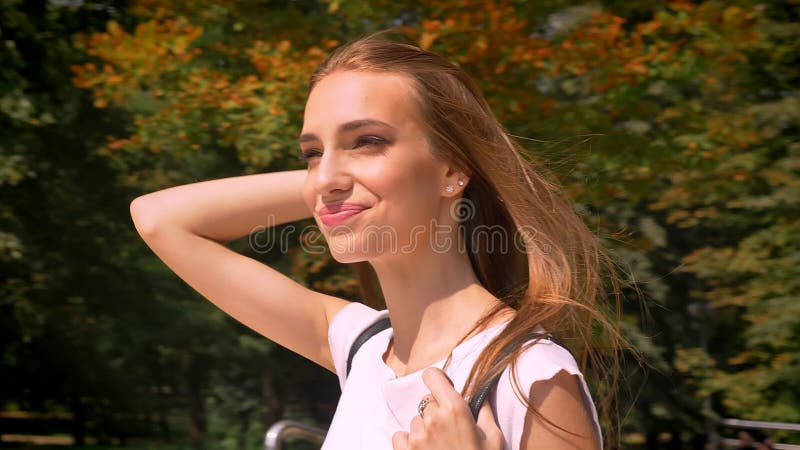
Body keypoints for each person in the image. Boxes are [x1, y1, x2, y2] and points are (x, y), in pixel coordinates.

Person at [130, 32, 624, 450]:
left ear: (453, 167)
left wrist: (366, 184)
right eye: (311, 152)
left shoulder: (527, 373)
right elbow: (159, 218)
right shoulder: (362, 347)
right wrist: (339, 183)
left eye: (368, 141)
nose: (324, 175)